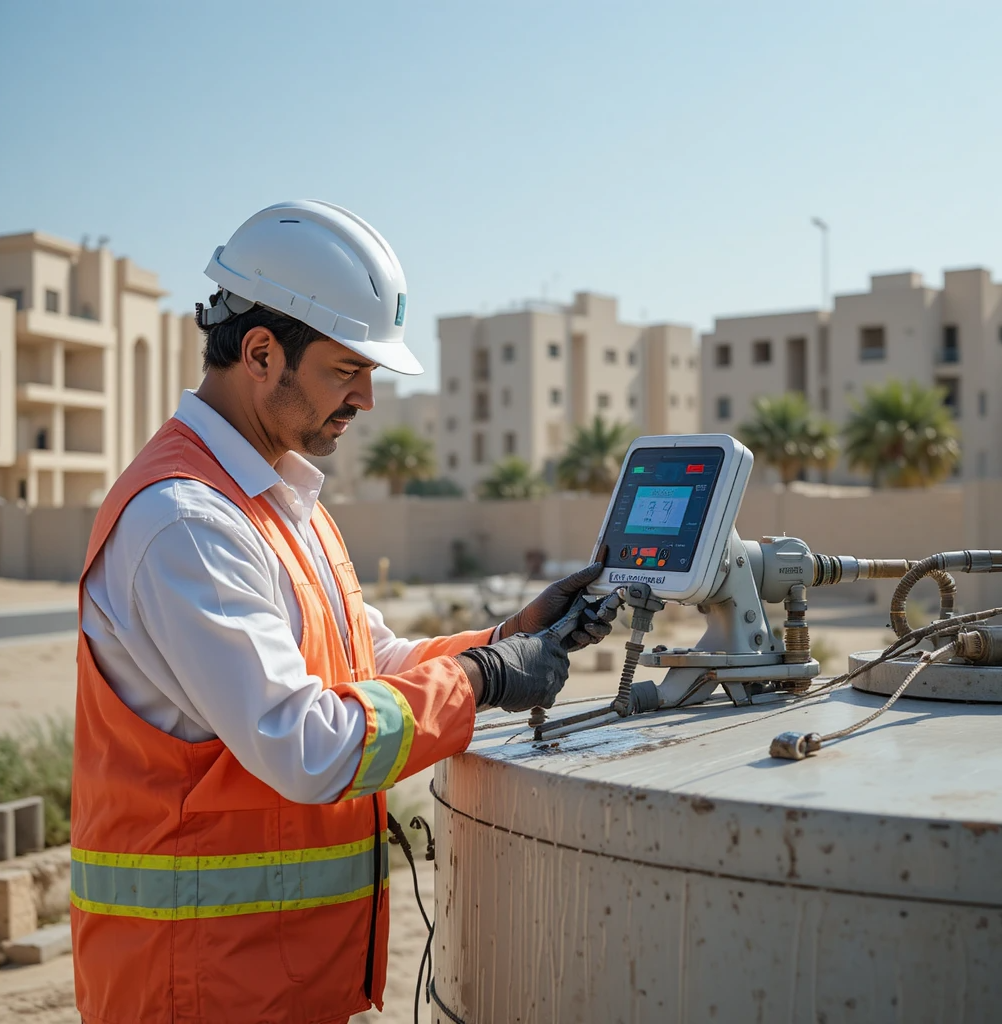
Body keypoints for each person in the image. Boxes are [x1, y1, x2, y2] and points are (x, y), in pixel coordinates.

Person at [70, 200, 617, 1024]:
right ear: (260, 352)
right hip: (200, 987)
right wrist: (483, 682)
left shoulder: (281, 501)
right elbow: (307, 744)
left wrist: (509, 639)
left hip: (284, 980)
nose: (366, 399)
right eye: (345, 370)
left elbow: (373, 668)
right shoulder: (185, 522)